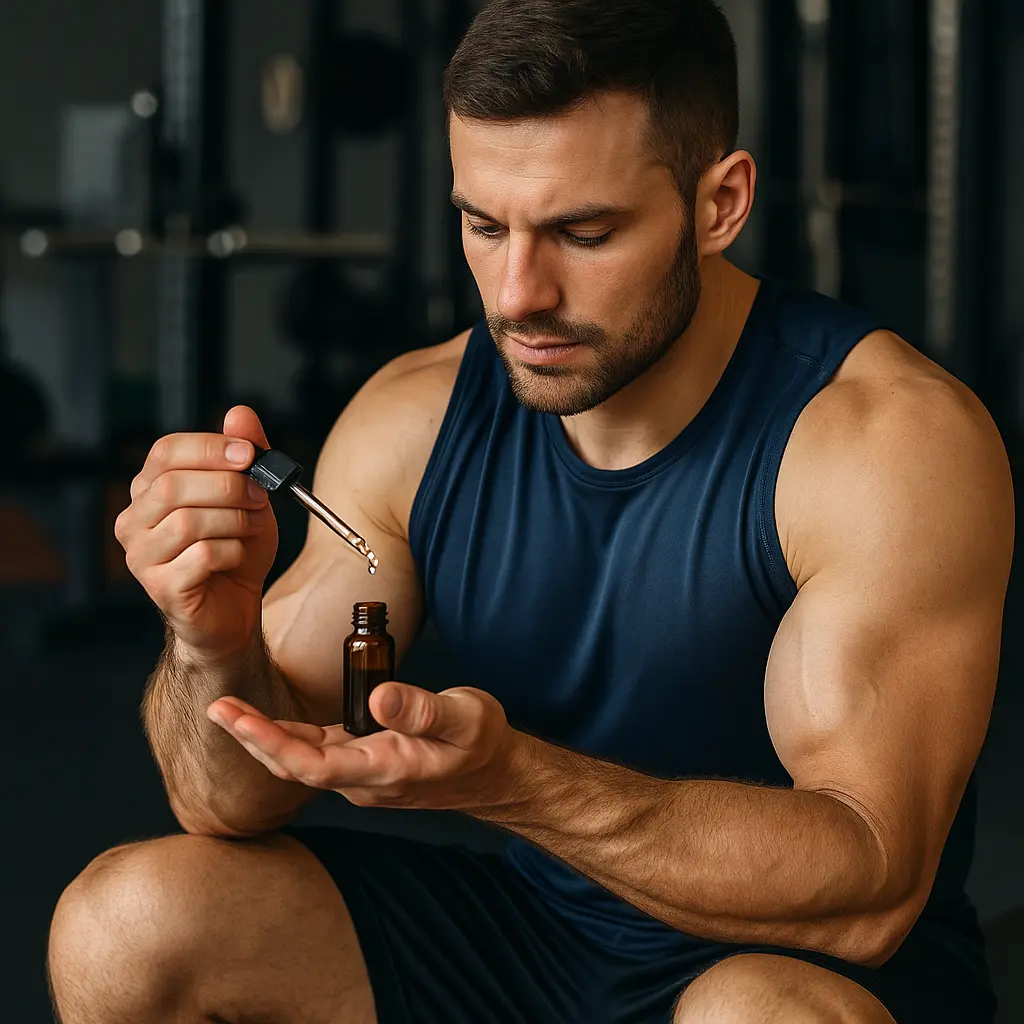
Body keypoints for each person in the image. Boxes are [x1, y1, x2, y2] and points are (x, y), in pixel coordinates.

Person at [48, 1, 1014, 1022]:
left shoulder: (879, 442)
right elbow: (227, 796)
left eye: (581, 232)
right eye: (482, 224)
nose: (516, 293)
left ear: (719, 202)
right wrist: (212, 640)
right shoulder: (414, 417)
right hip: (535, 935)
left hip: (798, 968)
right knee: (128, 922)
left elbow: (870, 886)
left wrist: (516, 781)